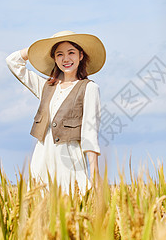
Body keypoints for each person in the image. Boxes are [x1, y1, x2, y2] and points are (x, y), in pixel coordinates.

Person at [6, 30, 106, 194]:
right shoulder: (46, 86)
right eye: (59, 54)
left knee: (73, 207)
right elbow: (12, 62)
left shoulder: (90, 88)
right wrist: (35, 49)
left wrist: (95, 173)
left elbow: (90, 133)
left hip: (69, 158)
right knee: (40, 209)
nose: (66, 59)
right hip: (41, 158)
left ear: (81, 55)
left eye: (71, 52)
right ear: (54, 59)